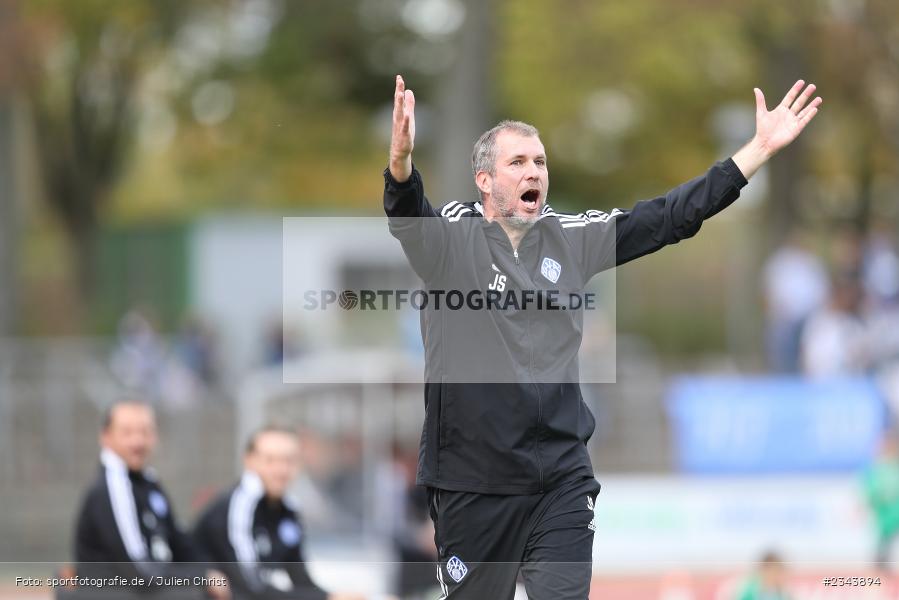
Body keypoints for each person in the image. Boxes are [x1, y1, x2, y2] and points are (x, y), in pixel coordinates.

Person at [383, 74, 821, 598]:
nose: (534, 172)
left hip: (559, 478)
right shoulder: (454, 237)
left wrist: (756, 150)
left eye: (540, 162)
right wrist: (402, 164)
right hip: (473, 482)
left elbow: (668, 218)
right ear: (484, 180)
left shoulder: (572, 239)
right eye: (518, 162)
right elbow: (410, 221)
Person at [72, 400, 228, 599]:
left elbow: (179, 542)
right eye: (127, 433)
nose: (138, 441)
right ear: (106, 437)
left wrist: (207, 571)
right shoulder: (111, 488)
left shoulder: (147, 481)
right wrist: (198, 578)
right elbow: (138, 570)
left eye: (145, 432)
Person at [193, 425, 366, 600]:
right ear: (249, 461)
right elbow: (251, 588)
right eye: (270, 460)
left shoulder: (288, 510)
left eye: (289, 460)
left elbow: (300, 580)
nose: (281, 469)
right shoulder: (237, 508)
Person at [861, 433, 899, 570]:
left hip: (892, 516)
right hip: (885, 519)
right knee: (883, 550)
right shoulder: (875, 470)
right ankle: (881, 576)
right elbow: (869, 493)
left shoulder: (891, 468)